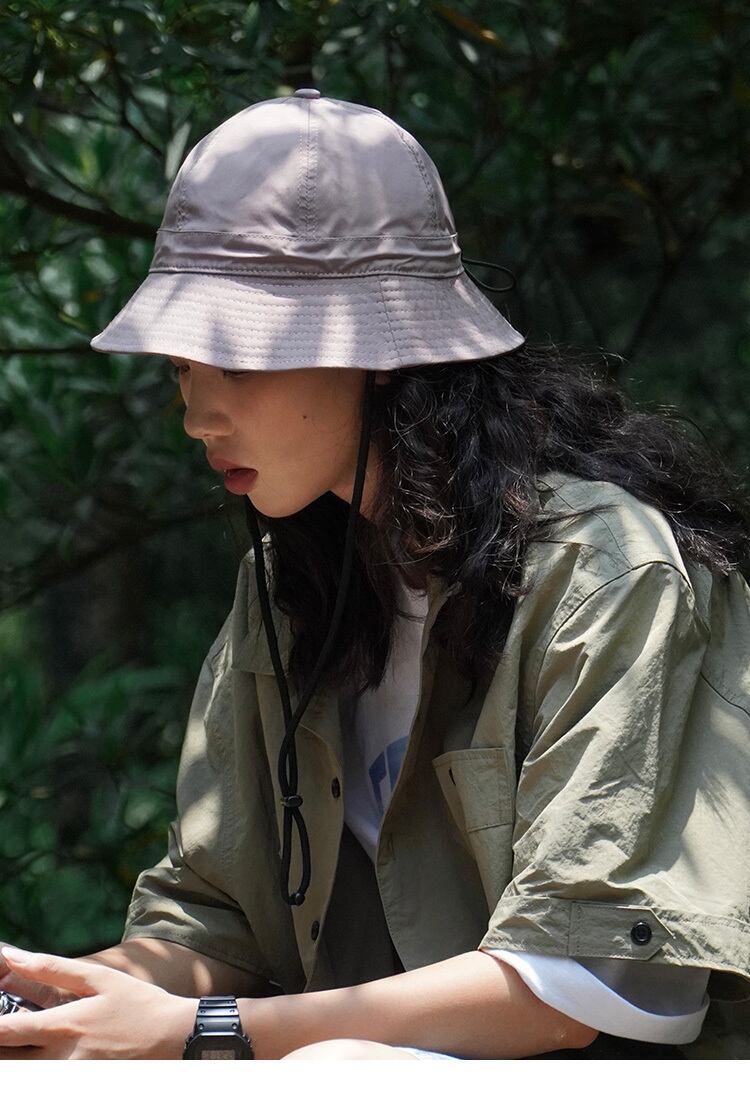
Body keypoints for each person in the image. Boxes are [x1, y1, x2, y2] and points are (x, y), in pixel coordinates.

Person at [1, 89, 749, 1061]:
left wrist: (202, 1031)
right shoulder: (287, 587)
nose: (197, 415)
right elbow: (215, 920)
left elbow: (589, 983)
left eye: (237, 359)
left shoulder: (607, 575)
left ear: (381, 351)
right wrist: (46, 1002)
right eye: (181, 366)